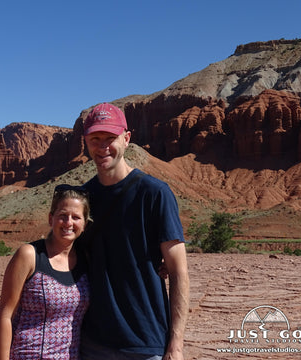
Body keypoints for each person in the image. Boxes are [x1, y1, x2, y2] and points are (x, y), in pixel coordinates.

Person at [80, 103, 190, 360]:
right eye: (95, 139)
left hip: (145, 342)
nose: (102, 146)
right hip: (92, 343)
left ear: (127, 139)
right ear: (85, 142)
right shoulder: (82, 198)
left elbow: (178, 272)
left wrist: (175, 346)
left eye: (110, 138)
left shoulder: (154, 194)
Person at [0, 184, 91, 360]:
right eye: (62, 216)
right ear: (51, 219)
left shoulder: (87, 259)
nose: (68, 223)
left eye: (76, 217)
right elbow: (6, 315)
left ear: (84, 224)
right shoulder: (29, 255)